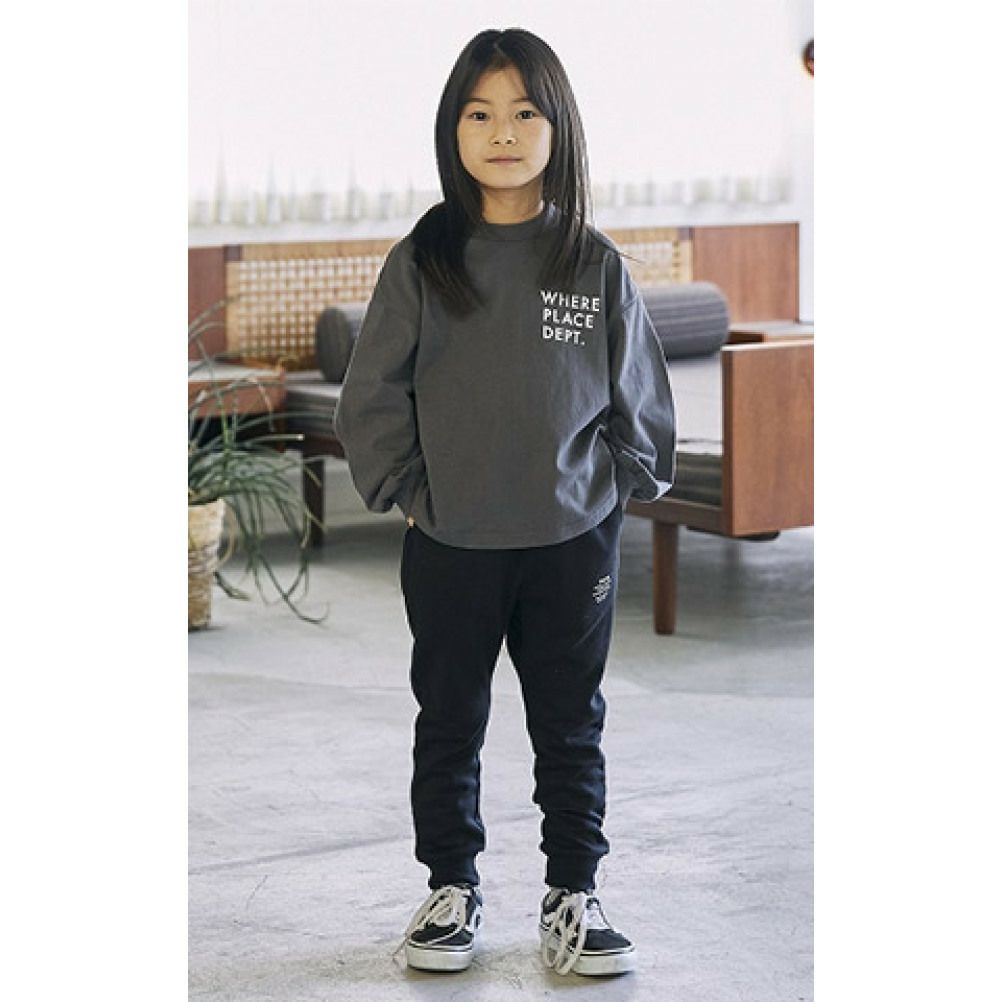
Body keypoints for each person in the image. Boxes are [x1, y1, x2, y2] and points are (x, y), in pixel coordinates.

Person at [334, 27, 675, 978]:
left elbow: (640, 398)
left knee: (570, 724)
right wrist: (411, 494)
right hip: (451, 542)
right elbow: (371, 395)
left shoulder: (590, 261)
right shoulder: (425, 258)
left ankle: (575, 893)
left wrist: (608, 499)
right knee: (449, 720)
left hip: (571, 544)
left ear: (558, 127)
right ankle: (451, 888)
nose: (504, 132)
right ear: (453, 129)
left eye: (526, 112)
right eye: (480, 113)